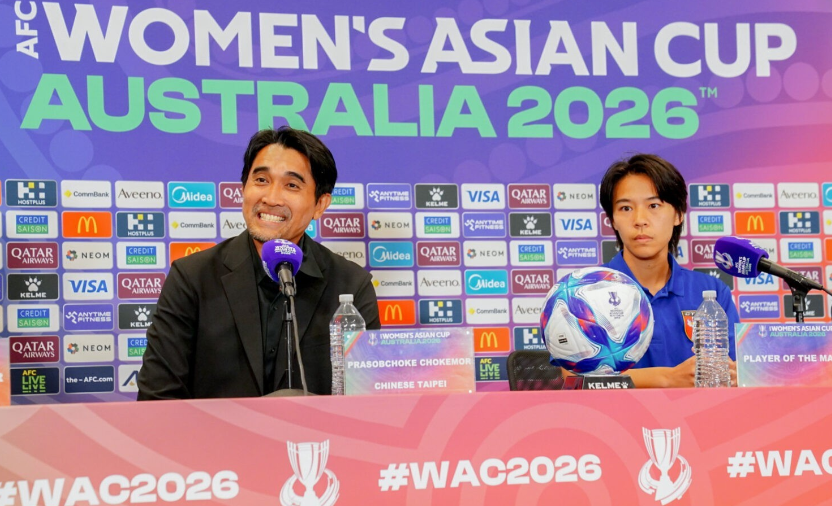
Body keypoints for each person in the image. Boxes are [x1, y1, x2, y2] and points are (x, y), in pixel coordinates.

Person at [138, 127, 380, 399]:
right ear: (244, 189)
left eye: (292, 185)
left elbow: (363, 403)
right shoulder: (192, 278)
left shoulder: (351, 285)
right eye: (261, 180)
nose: (271, 198)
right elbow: (157, 399)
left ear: (320, 205)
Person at [599, 153, 739, 388]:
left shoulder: (712, 293)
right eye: (626, 208)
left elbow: (735, 372)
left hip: (699, 412)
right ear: (612, 219)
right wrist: (666, 379)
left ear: (678, 214)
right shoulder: (585, 291)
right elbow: (574, 378)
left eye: (653, 206)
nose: (640, 220)